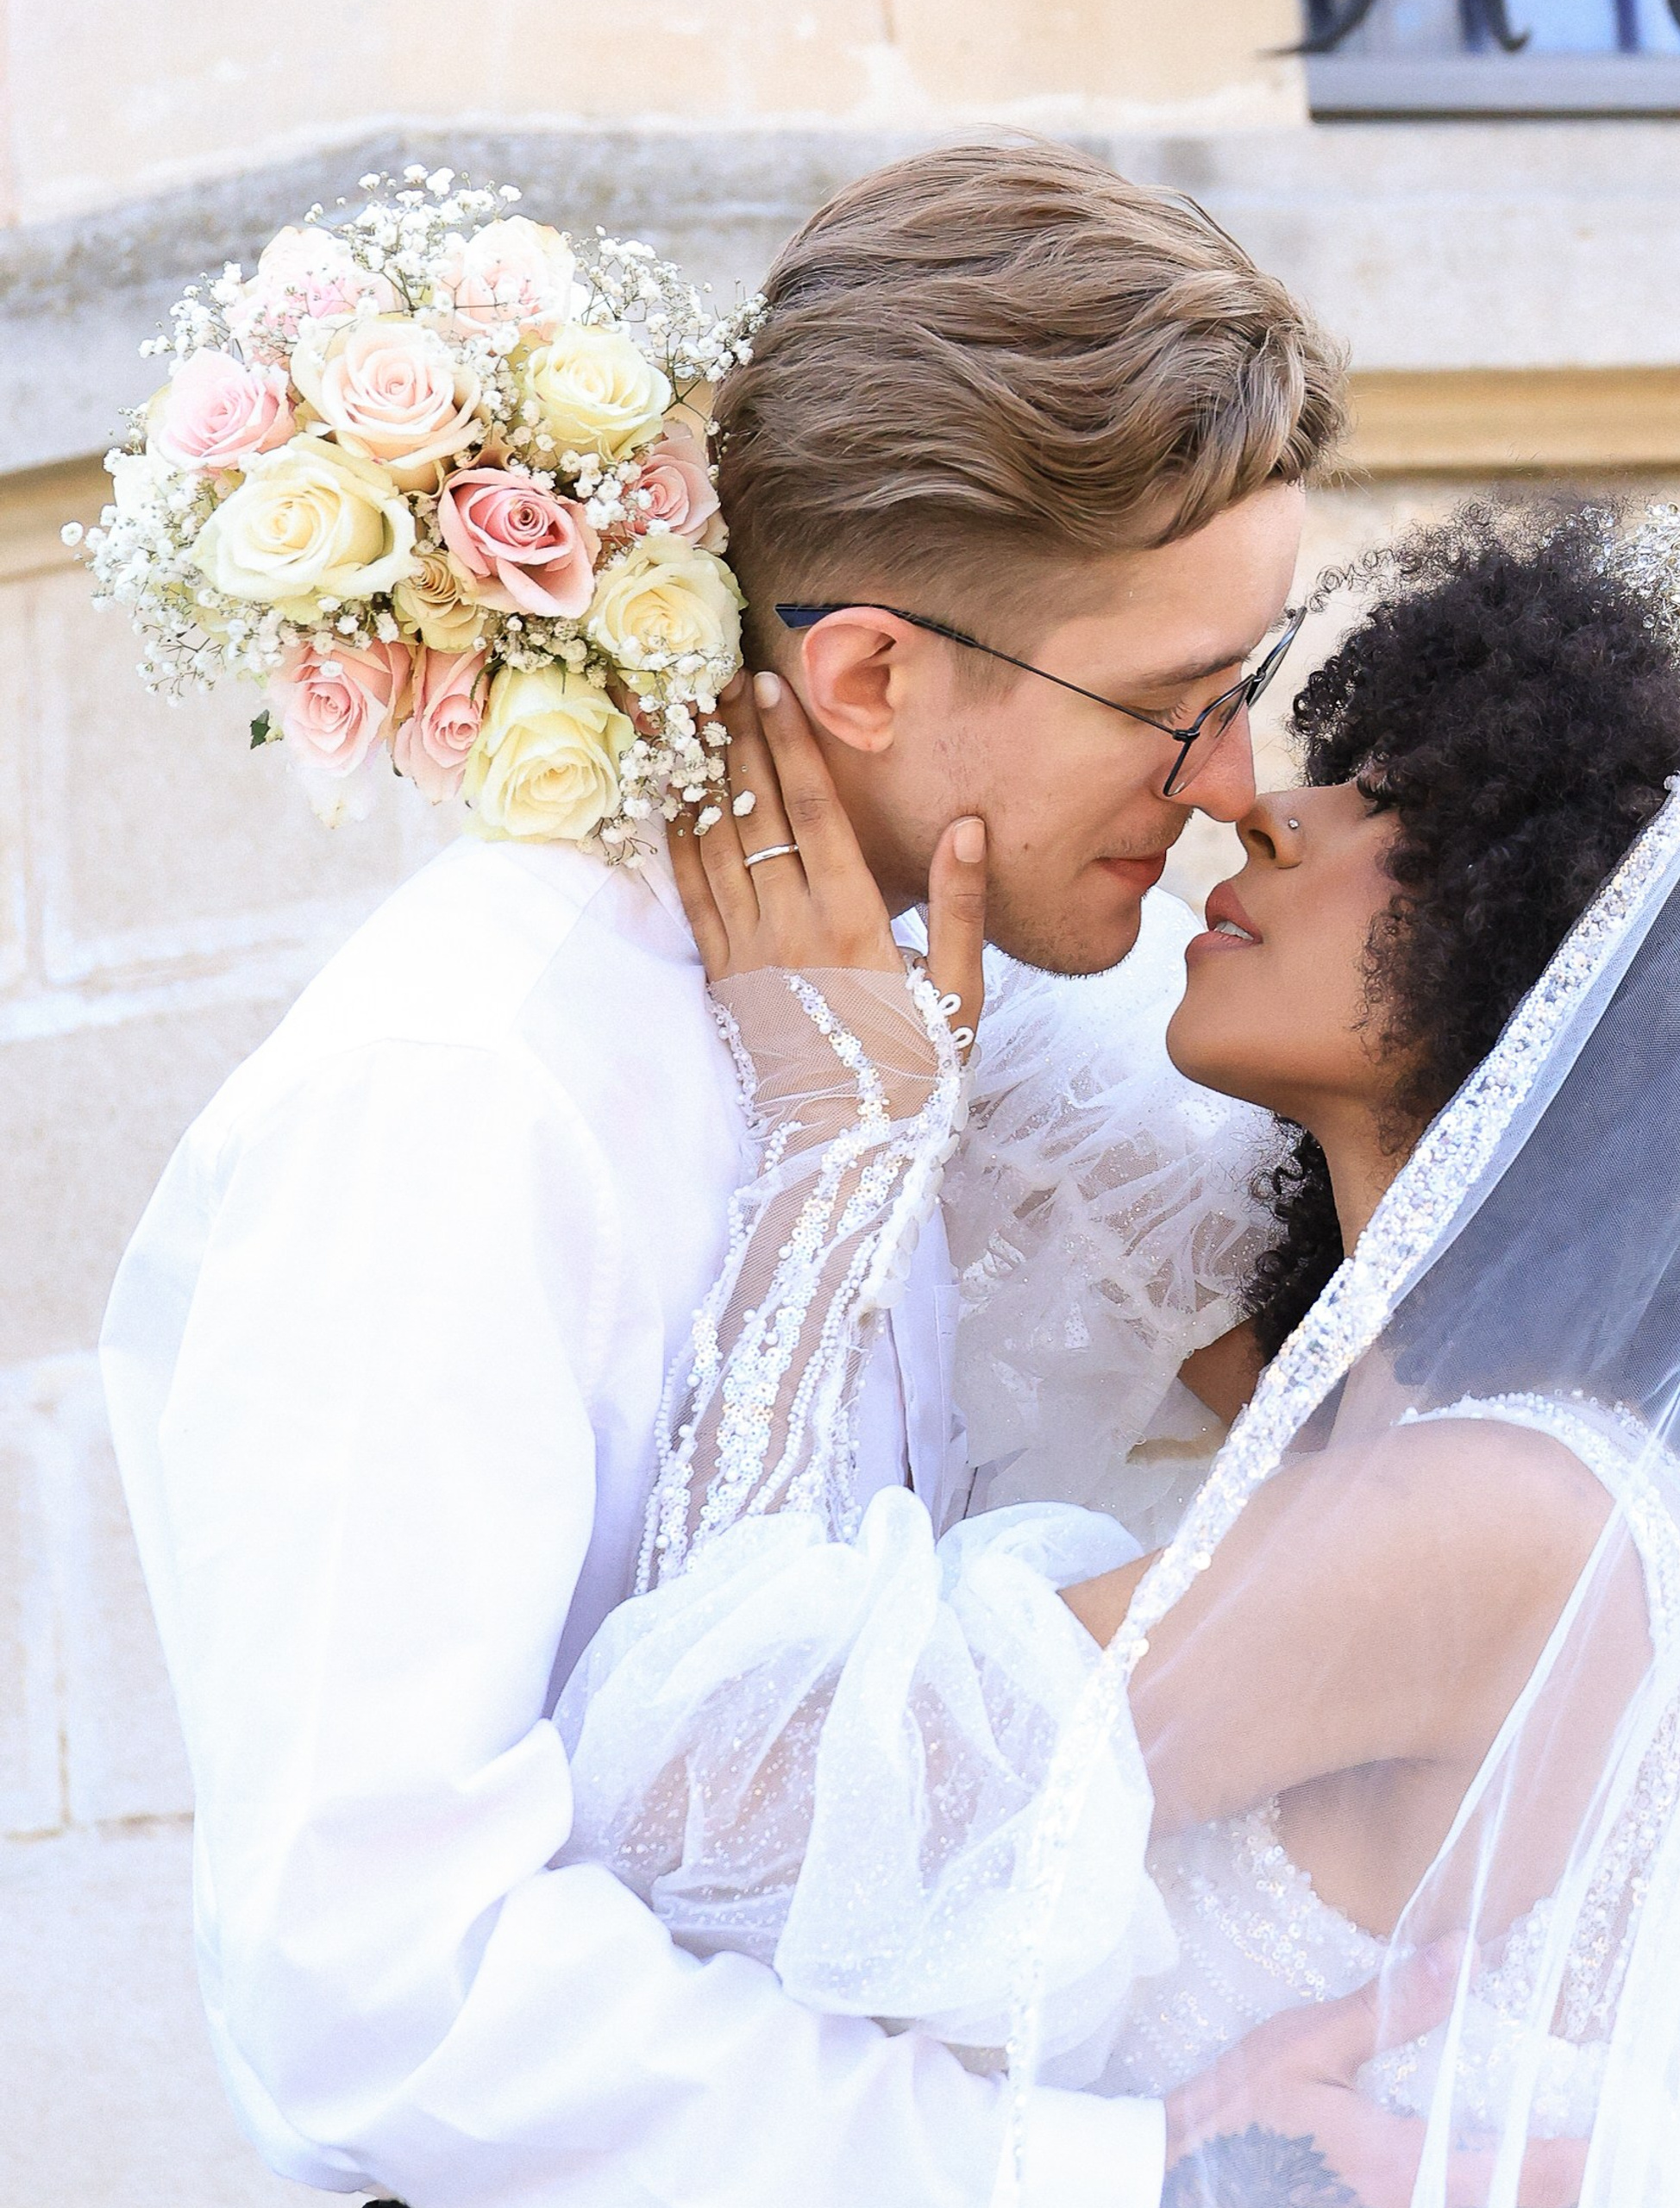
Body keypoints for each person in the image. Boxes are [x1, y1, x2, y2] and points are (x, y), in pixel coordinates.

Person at [100, 141, 1370, 2208]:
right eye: (1167, 703)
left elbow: (1374, 1380)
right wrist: (1127, 2175)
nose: (1229, 774)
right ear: (868, 675)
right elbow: (380, 1985)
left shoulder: (918, 1023)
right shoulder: (467, 1084)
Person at [555, 499, 1680, 2208]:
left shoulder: (1495, 1516)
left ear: (1545, 954)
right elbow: (1054, 1100)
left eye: (1389, 800)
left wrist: (834, 1142)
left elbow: (709, 1810)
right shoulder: (1386, 1417)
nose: (1246, 797)